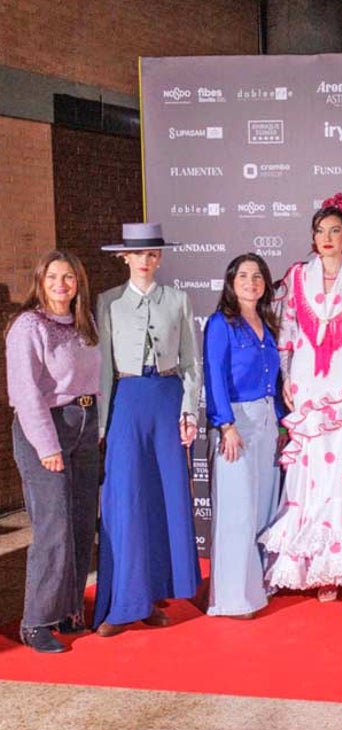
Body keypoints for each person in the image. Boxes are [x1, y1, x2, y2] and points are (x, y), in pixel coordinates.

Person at [259, 194, 342, 615]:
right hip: (308, 384)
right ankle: (321, 568)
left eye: (335, 230)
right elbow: (288, 332)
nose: (327, 238)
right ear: (313, 237)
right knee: (310, 477)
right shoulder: (297, 278)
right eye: (320, 231)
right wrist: (286, 376)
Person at [94, 223, 202, 636]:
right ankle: (122, 602)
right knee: (125, 502)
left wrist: (188, 411)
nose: (146, 260)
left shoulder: (178, 299)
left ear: (160, 258)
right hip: (126, 402)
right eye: (139, 254)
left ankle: (154, 597)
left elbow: (191, 363)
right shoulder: (108, 303)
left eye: (153, 253)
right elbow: (104, 368)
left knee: (162, 499)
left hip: (167, 401)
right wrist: (103, 425)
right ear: (124, 257)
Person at [5, 250, 101, 653]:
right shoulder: (27, 326)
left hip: (84, 424)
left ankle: (69, 610)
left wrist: (95, 427)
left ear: (78, 283)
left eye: (69, 278)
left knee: (80, 524)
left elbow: (97, 379)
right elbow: (25, 393)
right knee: (54, 527)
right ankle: (36, 621)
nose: (61, 285)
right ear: (40, 282)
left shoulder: (84, 323)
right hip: (45, 428)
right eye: (53, 278)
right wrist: (47, 445)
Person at [203, 254, 283, 619]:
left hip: (267, 418)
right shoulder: (221, 324)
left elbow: (278, 381)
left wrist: (281, 422)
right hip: (237, 420)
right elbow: (214, 376)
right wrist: (225, 424)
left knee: (264, 506)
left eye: (257, 276)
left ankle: (261, 584)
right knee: (237, 508)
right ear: (231, 282)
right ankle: (234, 598)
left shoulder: (268, 323)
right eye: (244, 276)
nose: (251, 282)